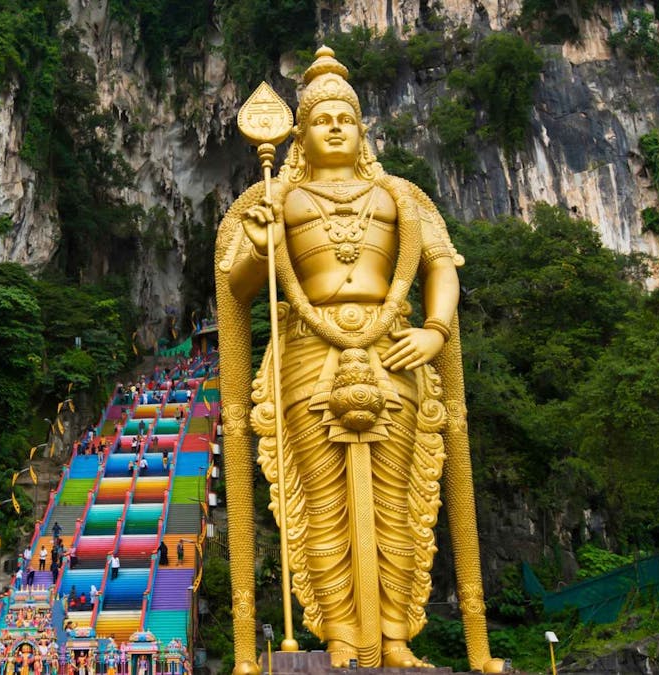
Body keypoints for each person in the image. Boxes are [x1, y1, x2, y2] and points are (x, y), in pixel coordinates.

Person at [214, 46, 503, 672]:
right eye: (322, 119)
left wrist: (434, 329)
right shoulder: (276, 200)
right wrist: (261, 246)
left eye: (346, 117)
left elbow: (440, 266)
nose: (336, 127)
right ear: (301, 135)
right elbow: (236, 289)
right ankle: (342, 638)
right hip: (307, 356)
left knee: (397, 503)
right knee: (321, 508)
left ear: (363, 129)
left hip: (393, 349)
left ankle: (395, 637)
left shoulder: (401, 197)